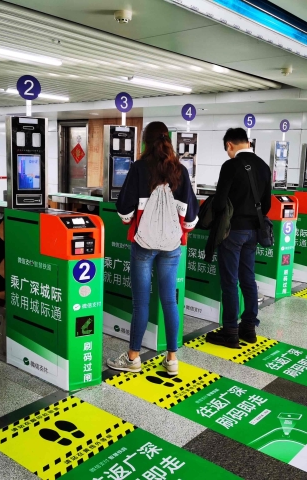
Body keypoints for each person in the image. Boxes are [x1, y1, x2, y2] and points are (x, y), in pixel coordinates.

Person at [107, 121, 198, 375]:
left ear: (145, 142)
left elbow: (124, 210)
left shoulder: (139, 168)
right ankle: (172, 359)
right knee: (169, 300)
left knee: (141, 302)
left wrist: (137, 219)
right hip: (171, 246)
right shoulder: (180, 170)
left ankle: (133, 358)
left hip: (143, 244)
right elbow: (191, 216)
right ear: (168, 140)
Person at [205, 128, 271, 349]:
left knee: (230, 281)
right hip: (253, 232)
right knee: (248, 279)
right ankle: (249, 328)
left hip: (232, 232)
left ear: (230, 145)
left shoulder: (230, 166)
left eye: (227, 149)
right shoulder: (263, 166)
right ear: (248, 143)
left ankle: (230, 331)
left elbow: (220, 202)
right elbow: (267, 205)